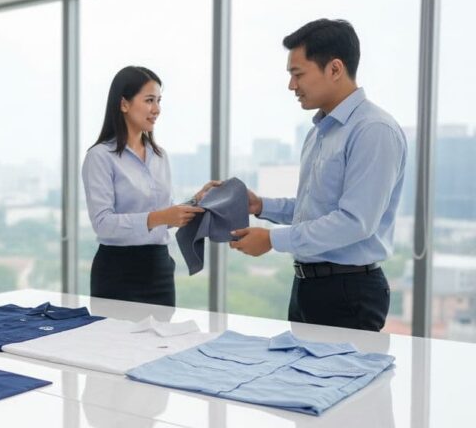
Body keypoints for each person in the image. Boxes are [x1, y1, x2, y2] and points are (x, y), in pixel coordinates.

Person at [230, 19, 407, 331]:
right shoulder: (320, 132)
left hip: (348, 293)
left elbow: (354, 222)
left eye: (298, 74)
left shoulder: (372, 130)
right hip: (307, 287)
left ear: (335, 69)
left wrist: (272, 239)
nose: (291, 86)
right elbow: (316, 209)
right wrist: (260, 206)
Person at [82, 66, 218, 306]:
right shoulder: (100, 156)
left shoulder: (160, 156)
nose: (156, 109)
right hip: (117, 272)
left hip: (159, 269)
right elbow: (102, 224)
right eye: (149, 100)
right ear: (124, 104)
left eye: (158, 101)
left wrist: (195, 201)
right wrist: (160, 217)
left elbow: (164, 215)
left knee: (163, 343)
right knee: (116, 343)